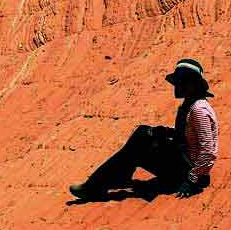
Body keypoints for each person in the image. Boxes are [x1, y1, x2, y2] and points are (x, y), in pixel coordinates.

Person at [69, 58, 218, 201]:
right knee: (143, 133)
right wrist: (163, 132)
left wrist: (191, 181)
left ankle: (96, 186)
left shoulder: (199, 110)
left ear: (193, 84)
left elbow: (208, 151)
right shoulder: (191, 104)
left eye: (181, 82)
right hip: (183, 162)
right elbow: (188, 136)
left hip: (188, 173)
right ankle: (113, 179)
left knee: (138, 144)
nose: (177, 86)